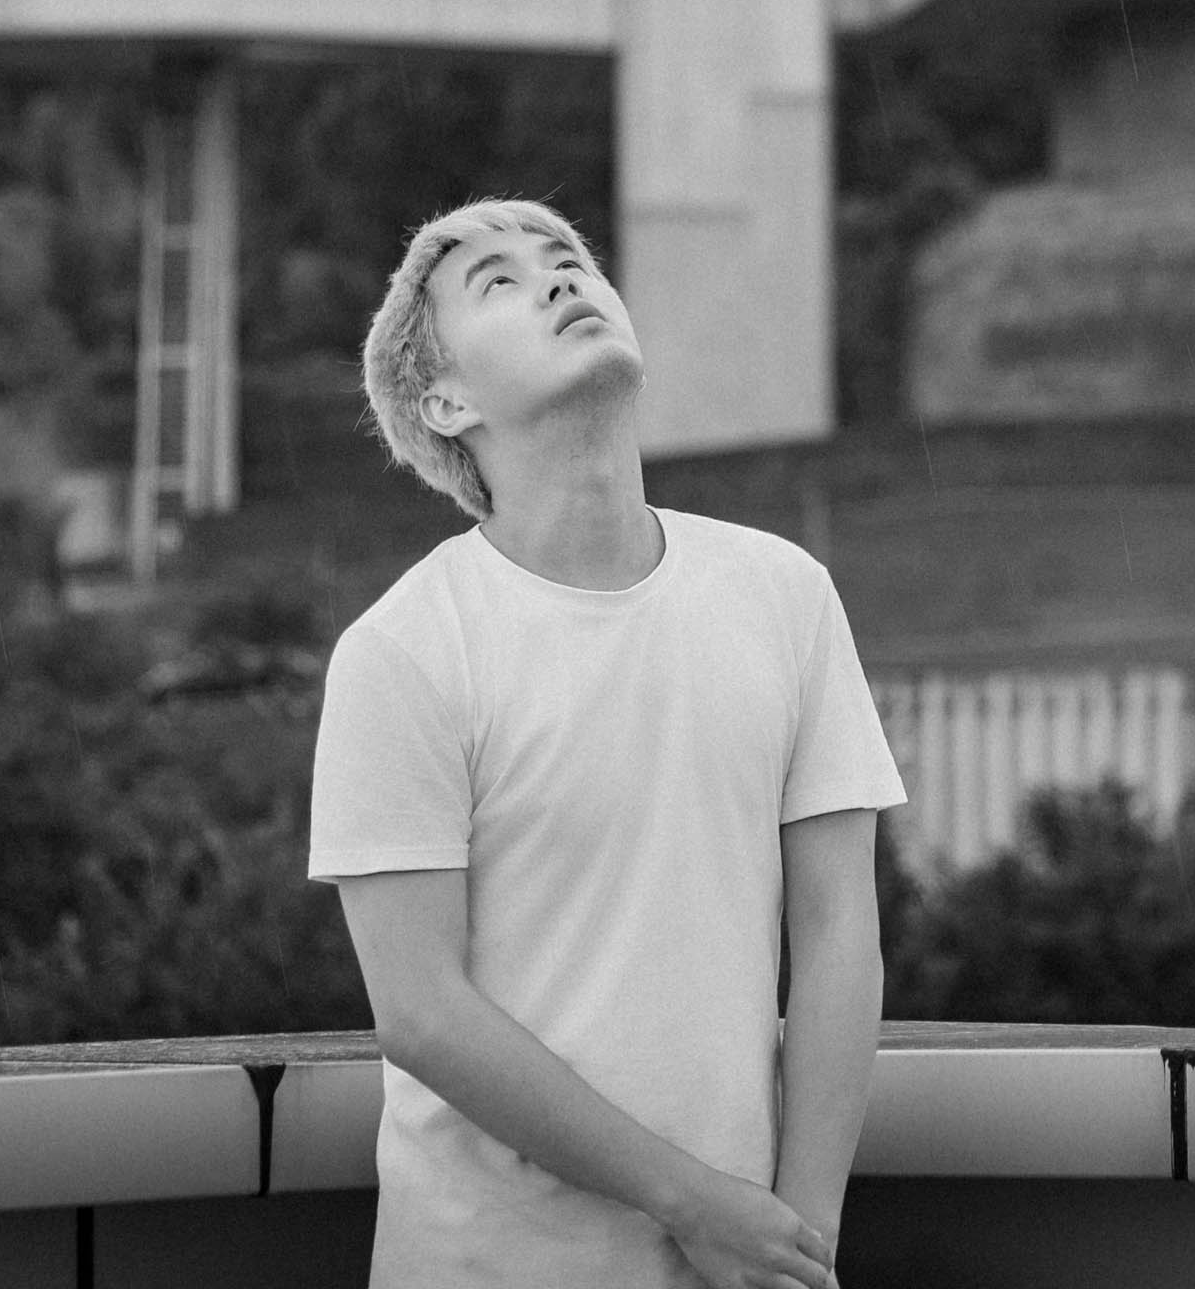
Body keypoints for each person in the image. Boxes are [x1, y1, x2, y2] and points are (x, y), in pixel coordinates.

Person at [309, 198, 907, 1288]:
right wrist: (694, 1202)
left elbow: (838, 928)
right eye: (499, 280)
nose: (557, 278)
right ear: (444, 402)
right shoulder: (401, 650)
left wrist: (794, 1243)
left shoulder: (786, 593)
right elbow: (423, 1014)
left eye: (568, 259)